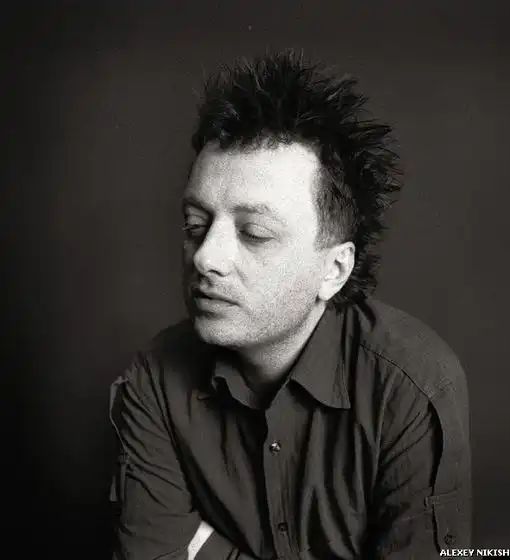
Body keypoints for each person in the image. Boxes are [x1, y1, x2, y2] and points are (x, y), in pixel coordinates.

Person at [109, 49, 471, 560]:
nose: (206, 257)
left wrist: (206, 549)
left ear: (334, 270)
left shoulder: (411, 386)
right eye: (195, 225)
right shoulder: (155, 379)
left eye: (254, 232)